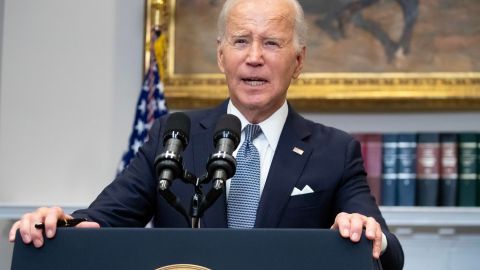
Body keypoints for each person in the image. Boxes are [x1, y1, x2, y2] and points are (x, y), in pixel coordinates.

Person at [9, 0, 404, 269]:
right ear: (221, 56)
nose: (254, 57)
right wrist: (60, 225)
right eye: (240, 41)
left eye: (271, 43)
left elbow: (391, 253)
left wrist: (370, 234)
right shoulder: (172, 135)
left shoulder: (335, 150)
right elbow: (102, 221)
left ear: (297, 61)